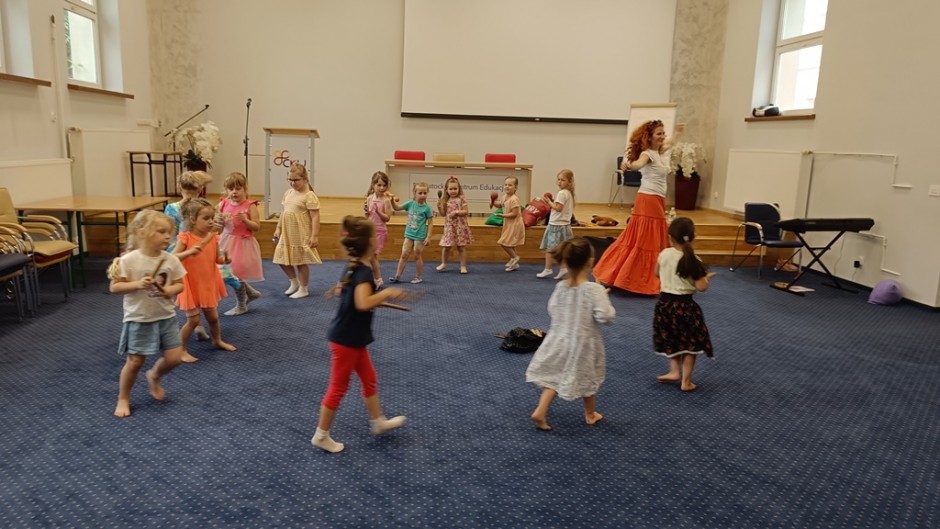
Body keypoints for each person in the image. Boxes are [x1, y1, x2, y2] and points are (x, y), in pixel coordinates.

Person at [312, 216, 410, 453]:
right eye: (374, 235)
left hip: (352, 337)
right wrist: (387, 293)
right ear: (369, 242)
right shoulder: (362, 271)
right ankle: (321, 435)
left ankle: (378, 421)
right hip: (347, 340)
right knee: (338, 387)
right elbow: (363, 303)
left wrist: (373, 296)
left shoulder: (353, 265)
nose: (377, 238)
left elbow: (342, 293)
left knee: (369, 377)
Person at [526, 237, 615, 431]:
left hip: (559, 339)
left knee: (555, 375)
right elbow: (605, 317)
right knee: (588, 376)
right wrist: (604, 299)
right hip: (584, 343)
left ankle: (540, 410)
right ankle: (590, 414)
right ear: (591, 262)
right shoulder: (595, 290)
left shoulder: (561, 287)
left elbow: (552, 309)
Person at [107, 210, 187, 418]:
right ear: (141, 232)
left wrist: (169, 290)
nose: (167, 237)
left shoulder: (171, 260)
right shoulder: (129, 260)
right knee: (135, 362)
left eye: (169, 232)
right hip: (139, 318)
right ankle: (123, 397)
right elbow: (115, 287)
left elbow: (179, 284)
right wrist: (137, 284)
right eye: (161, 231)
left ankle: (155, 375)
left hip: (166, 317)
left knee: (175, 358)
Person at [593, 120, 685, 294]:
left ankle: (641, 277)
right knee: (645, 240)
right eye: (658, 133)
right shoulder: (647, 154)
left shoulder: (660, 151)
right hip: (648, 200)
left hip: (657, 199)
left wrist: (678, 132)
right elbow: (638, 164)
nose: (662, 136)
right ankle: (631, 278)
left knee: (650, 239)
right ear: (649, 137)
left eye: (663, 133)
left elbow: (671, 142)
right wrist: (629, 165)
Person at [653, 217, 714, 393]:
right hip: (685, 307)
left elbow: (656, 273)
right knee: (690, 344)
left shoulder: (664, 254)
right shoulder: (694, 259)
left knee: (671, 338)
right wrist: (706, 278)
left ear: (670, 237)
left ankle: (674, 371)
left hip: (664, 305)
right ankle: (686, 381)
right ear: (693, 237)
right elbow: (701, 287)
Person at [172, 198, 236, 361]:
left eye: (212, 218)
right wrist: (189, 252)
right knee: (193, 321)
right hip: (190, 283)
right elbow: (172, 258)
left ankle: (217, 340)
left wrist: (225, 259)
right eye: (206, 218)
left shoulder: (213, 237)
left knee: (213, 318)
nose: (210, 222)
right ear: (193, 220)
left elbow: (217, 259)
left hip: (207, 282)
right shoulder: (185, 237)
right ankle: (180, 349)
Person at [165, 171, 215, 340]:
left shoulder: (172, 208)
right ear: (200, 188)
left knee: (185, 286)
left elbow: (170, 231)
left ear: (178, 186)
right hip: (195, 245)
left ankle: (195, 322)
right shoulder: (202, 207)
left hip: (179, 247)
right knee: (198, 284)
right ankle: (197, 323)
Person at [218, 172, 264, 315]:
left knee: (234, 274)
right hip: (225, 242)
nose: (234, 192)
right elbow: (218, 226)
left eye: (238, 189)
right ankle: (250, 293)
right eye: (231, 189)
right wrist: (219, 221)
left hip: (242, 244)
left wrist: (245, 220)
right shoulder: (223, 203)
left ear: (245, 189)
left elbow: (256, 227)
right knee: (227, 273)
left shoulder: (250, 206)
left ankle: (241, 304)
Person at [273, 164, 321, 299]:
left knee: (300, 262)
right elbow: (284, 213)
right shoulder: (288, 193)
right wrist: (278, 228)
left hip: (301, 233)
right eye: (290, 180)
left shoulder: (309, 196)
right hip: (287, 233)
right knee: (280, 259)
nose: (293, 183)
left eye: (296, 180)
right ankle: (294, 282)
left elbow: (315, 217)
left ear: (305, 179)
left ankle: (304, 288)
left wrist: (314, 235)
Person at [389, 182, 433, 284]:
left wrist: (428, 237)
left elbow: (430, 223)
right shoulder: (410, 204)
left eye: (425, 193)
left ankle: (418, 277)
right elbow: (397, 208)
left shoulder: (427, 208)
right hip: (409, 234)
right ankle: (397, 275)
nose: (422, 195)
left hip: (420, 236)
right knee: (404, 255)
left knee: (417, 255)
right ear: (414, 193)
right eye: (420, 193)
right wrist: (392, 201)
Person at [535, 169, 576, 280]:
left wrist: (549, 202)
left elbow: (558, 208)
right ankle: (563, 268)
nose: (559, 182)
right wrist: (552, 202)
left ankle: (548, 269)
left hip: (556, 225)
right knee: (562, 249)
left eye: (563, 180)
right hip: (564, 225)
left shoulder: (562, 193)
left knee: (550, 248)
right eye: (558, 179)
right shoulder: (568, 193)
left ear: (570, 181)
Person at [435, 176, 473, 274]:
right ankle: (443, 263)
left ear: (459, 189)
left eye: (455, 188)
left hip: (460, 227)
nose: (453, 191)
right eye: (451, 189)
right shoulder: (445, 200)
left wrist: (456, 212)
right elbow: (443, 214)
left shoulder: (461, 199)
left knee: (461, 247)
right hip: (449, 227)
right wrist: (439, 207)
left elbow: (466, 211)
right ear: (446, 190)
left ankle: (463, 266)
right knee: (446, 246)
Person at [363, 171, 393, 288]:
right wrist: (366, 212)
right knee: (369, 257)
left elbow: (387, 218)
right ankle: (374, 278)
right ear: (373, 185)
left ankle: (378, 279)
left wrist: (378, 212)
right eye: (379, 185)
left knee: (372, 256)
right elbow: (368, 216)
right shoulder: (369, 198)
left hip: (380, 232)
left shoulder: (386, 200)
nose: (381, 188)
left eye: (384, 185)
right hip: (370, 231)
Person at [495, 176, 524, 271]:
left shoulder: (514, 199)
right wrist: (493, 202)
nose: (507, 186)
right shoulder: (504, 196)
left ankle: (515, 257)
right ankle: (514, 262)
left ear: (515, 188)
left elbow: (514, 214)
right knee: (511, 243)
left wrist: (503, 215)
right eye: (506, 184)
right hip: (508, 223)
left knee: (504, 243)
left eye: (510, 185)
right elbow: (500, 204)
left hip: (514, 224)